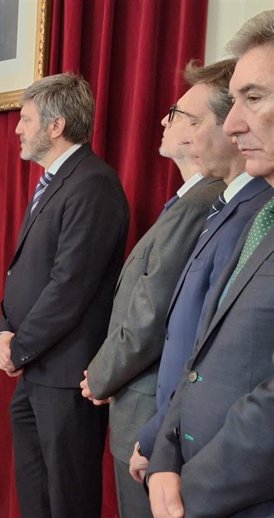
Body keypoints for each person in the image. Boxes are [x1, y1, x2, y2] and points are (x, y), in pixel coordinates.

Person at [80, 62, 230, 517]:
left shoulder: (201, 203)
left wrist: (100, 376)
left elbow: (151, 314)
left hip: (148, 407)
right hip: (138, 401)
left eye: (178, 113)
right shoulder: (188, 201)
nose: (164, 120)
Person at [148, 10, 274, 518]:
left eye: (255, 98)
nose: (234, 123)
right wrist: (164, 457)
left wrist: (187, 490)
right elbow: (202, 355)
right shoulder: (262, 216)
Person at [0, 74, 129, 518]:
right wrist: (3, 332)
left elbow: (70, 285)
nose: (17, 128)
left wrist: (21, 346)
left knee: (68, 500)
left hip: (68, 375)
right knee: (37, 498)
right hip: (37, 369)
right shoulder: (55, 181)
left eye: (25, 118)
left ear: (56, 126)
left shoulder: (92, 183)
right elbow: (24, 273)